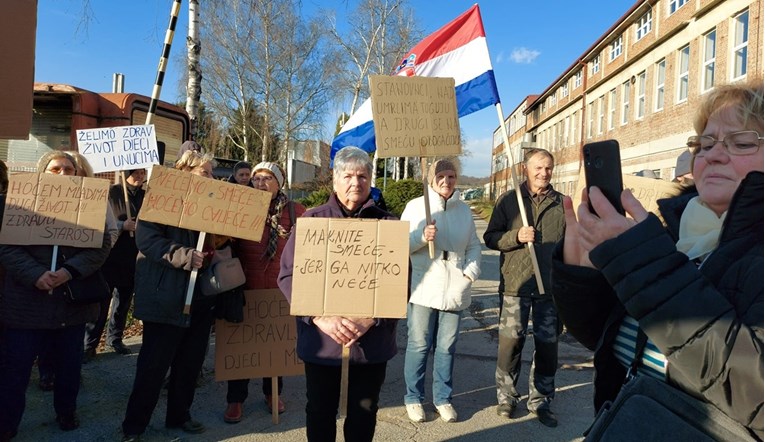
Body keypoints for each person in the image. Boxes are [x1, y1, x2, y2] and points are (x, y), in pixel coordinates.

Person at [551, 81, 763, 439]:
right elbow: (602, 338)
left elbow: (755, 393)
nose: (713, 154)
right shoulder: (675, 233)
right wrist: (581, 275)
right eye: (706, 143)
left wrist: (639, 262)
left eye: (741, 142)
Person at [278, 146, 400, 442]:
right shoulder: (311, 221)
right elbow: (288, 276)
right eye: (348, 175)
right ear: (335, 180)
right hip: (323, 342)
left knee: (364, 412)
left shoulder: (388, 224)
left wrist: (371, 318)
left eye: (362, 176)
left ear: (370, 179)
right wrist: (320, 317)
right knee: (320, 410)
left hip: (370, 344)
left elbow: (400, 281)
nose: (355, 183)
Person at [0, 150, 111, 438]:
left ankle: (66, 412)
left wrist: (69, 271)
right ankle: (7, 423)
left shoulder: (90, 205)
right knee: (15, 372)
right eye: (55, 169)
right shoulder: (18, 204)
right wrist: (36, 274)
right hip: (26, 307)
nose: (63, 174)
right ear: (43, 173)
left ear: (77, 173)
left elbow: (101, 246)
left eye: (69, 169)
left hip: (69, 306)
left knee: (69, 369)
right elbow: (6, 247)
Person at [121, 150, 218, 441]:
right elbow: (147, 240)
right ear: (184, 172)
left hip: (199, 297)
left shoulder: (212, 206)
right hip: (167, 295)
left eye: (212, 173)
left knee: (189, 363)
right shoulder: (160, 198)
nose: (211, 179)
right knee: (153, 365)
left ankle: (179, 415)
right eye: (205, 173)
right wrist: (186, 256)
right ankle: (134, 426)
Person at [483, 148, 564, 428]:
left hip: (549, 289)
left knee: (547, 346)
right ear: (525, 169)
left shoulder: (562, 204)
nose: (544, 173)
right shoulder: (509, 201)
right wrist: (515, 236)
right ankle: (506, 397)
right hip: (516, 286)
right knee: (510, 344)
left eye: (549, 168)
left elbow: (572, 246)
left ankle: (541, 399)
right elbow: (490, 238)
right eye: (538, 167)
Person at [222, 161, 305, 423]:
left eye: (267, 178)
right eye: (256, 178)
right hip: (244, 288)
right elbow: (224, 242)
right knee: (242, 346)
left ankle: (272, 394)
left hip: (279, 292)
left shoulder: (296, 212)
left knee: (274, 347)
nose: (260, 183)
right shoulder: (241, 208)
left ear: (279, 183)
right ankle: (235, 400)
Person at [401, 159, 482, 423]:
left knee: (447, 347)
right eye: (440, 176)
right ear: (431, 179)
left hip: (456, 285)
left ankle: (442, 398)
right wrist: (421, 237)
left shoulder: (464, 211)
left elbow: (473, 246)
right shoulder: (416, 207)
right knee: (419, 344)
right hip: (425, 283)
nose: (446, 181)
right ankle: (413, 397)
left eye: (451, 175)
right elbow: (398, 245)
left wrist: (470, 272)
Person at [99, 168, 146, 356]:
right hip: (111, 256)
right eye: (137, 173)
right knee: (102, 300)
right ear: (127, 173)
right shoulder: (112, 193)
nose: (141, 176)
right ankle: (90, 343)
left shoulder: (147, 196)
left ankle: (115, 339)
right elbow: (101, 221)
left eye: (143, 173)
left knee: (123, 302)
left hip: (133, 257)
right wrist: (122, 225)